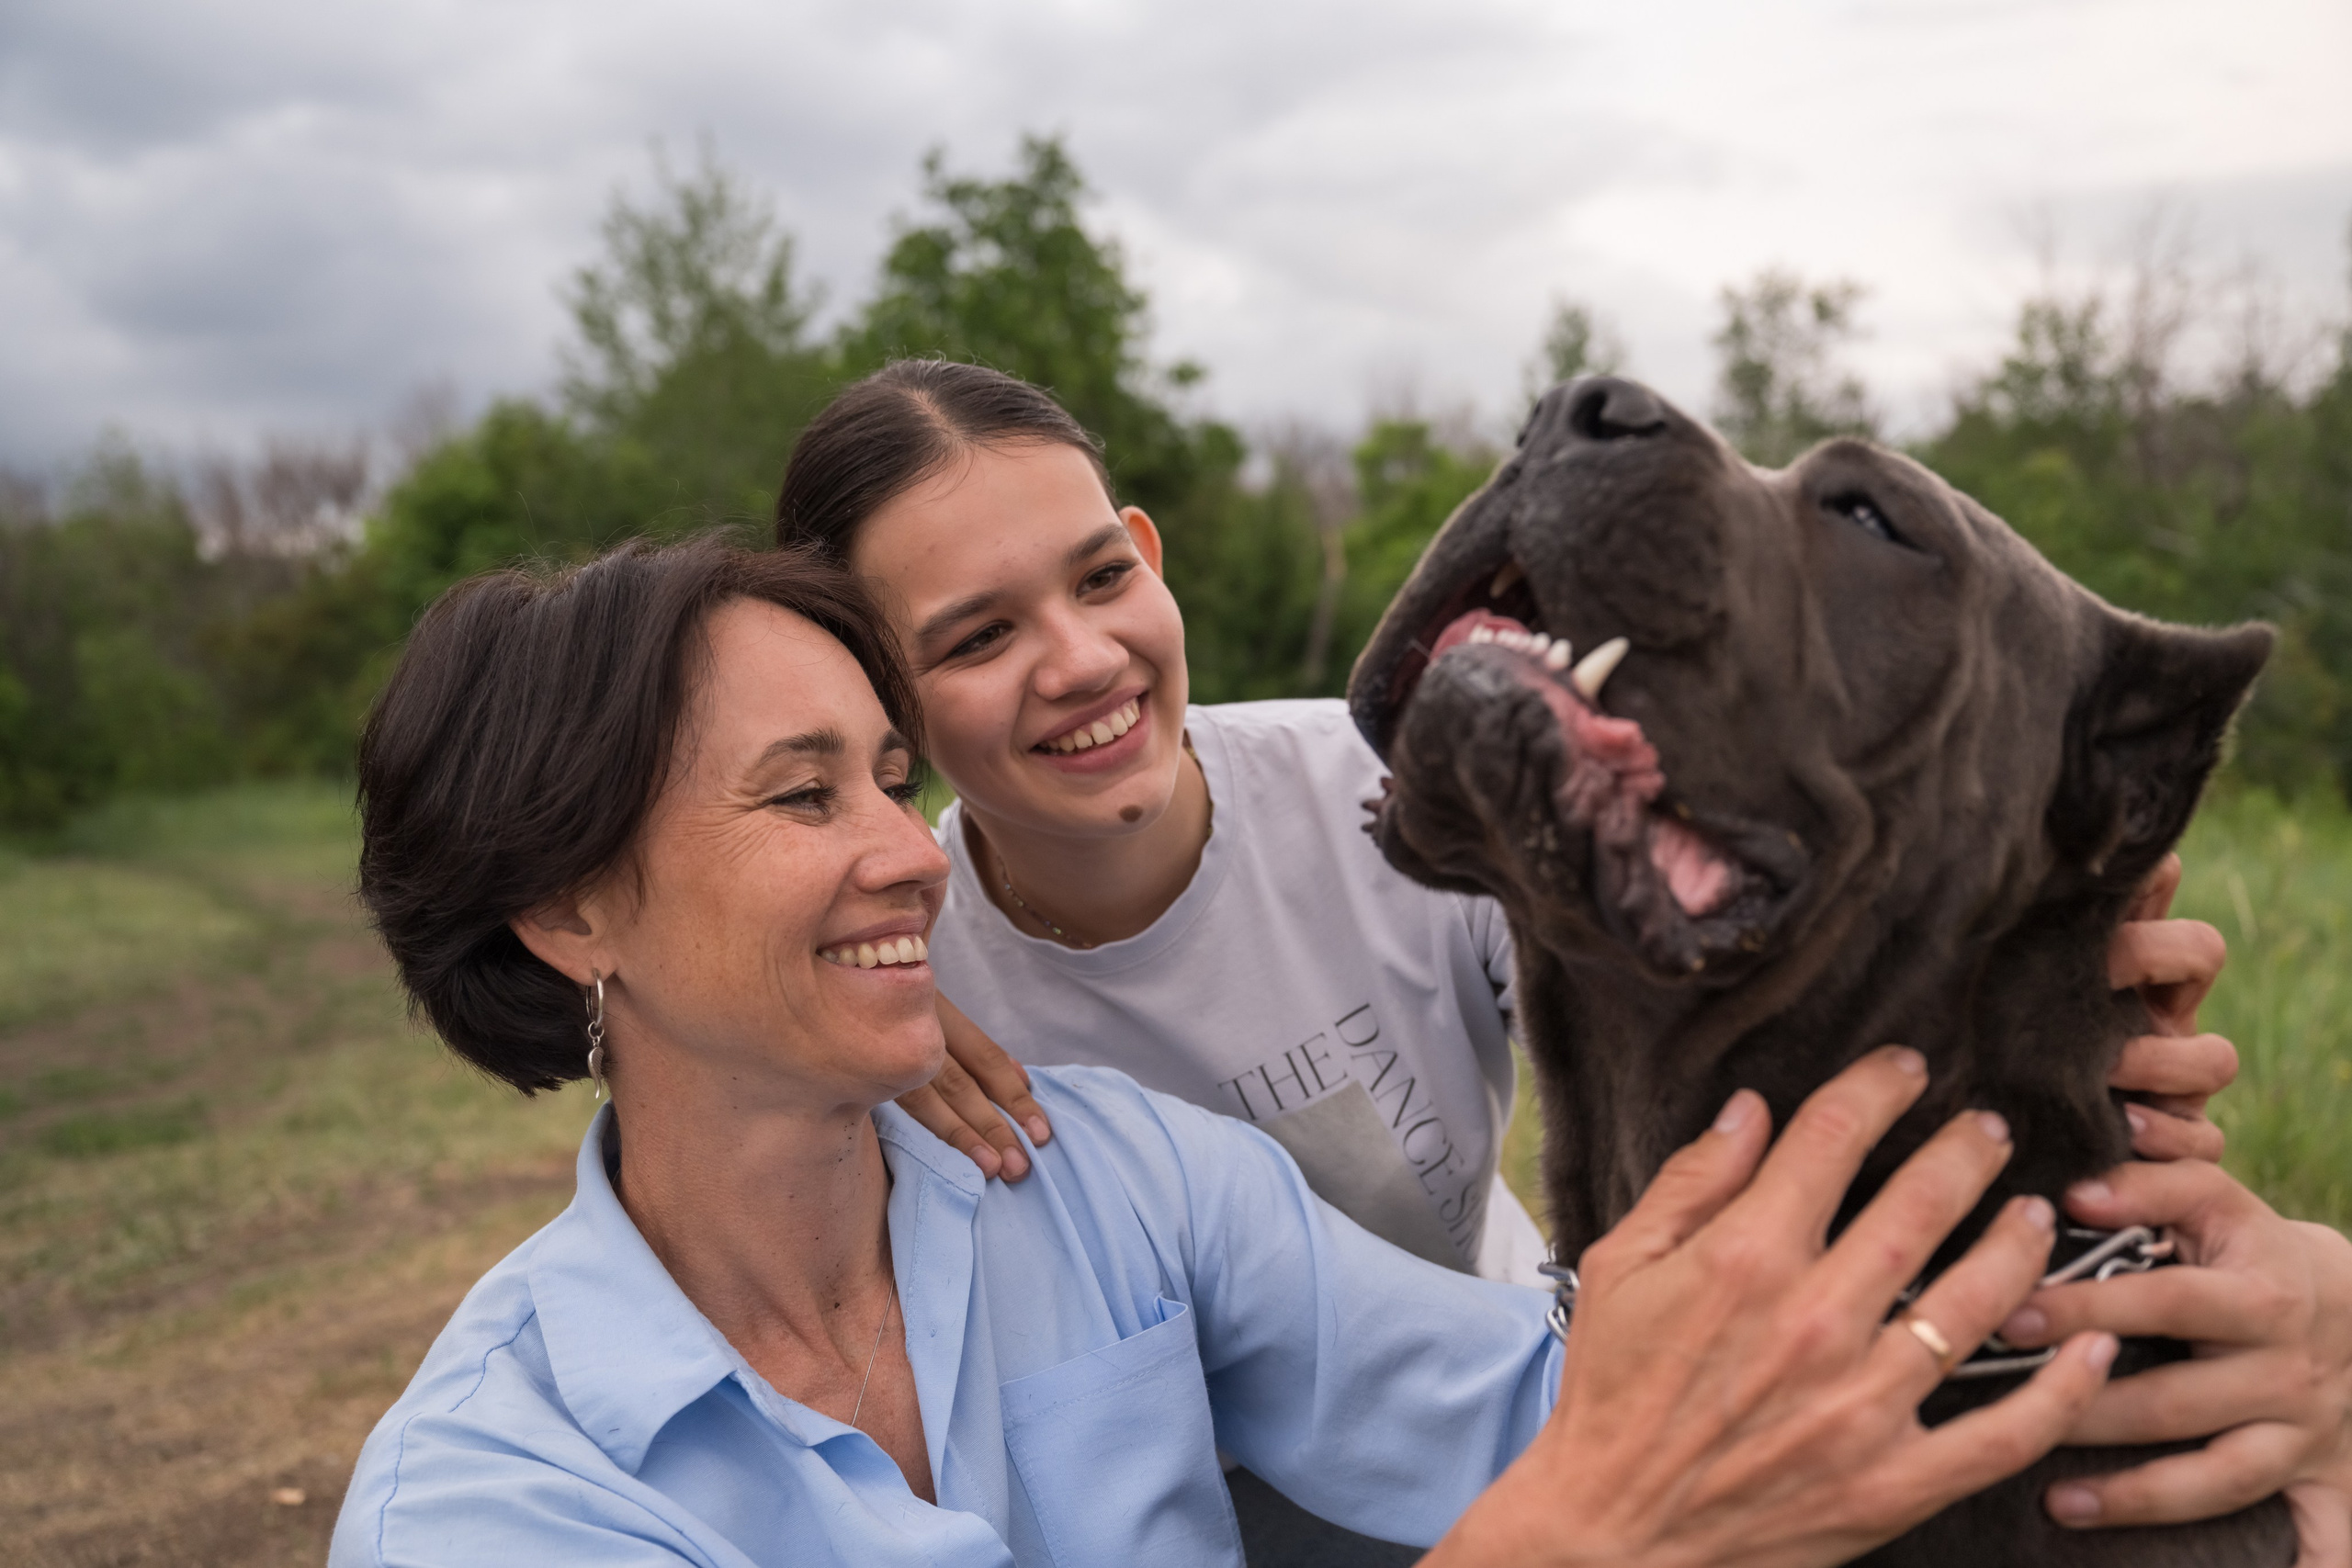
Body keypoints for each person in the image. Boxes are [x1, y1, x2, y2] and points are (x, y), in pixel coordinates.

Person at [777, 360, 2352, 1559]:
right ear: (881, 704)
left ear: (1146, 553)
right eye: (975, 638)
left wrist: (2114, 1071)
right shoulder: (882, 982)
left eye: (1101, 578)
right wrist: (855, 1061)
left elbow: (1745, 918)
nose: (1078, 660)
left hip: (1521, 1430)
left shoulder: (1380, 788)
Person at [332, 535, 2136, 1567]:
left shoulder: (1106, 1177)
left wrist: (2161, 1257)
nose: (905, 847)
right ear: (570, 911)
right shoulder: (496, 1499)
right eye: (800, 794)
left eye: (889, 774)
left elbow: (1561, 1399)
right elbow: (1593, 1491)